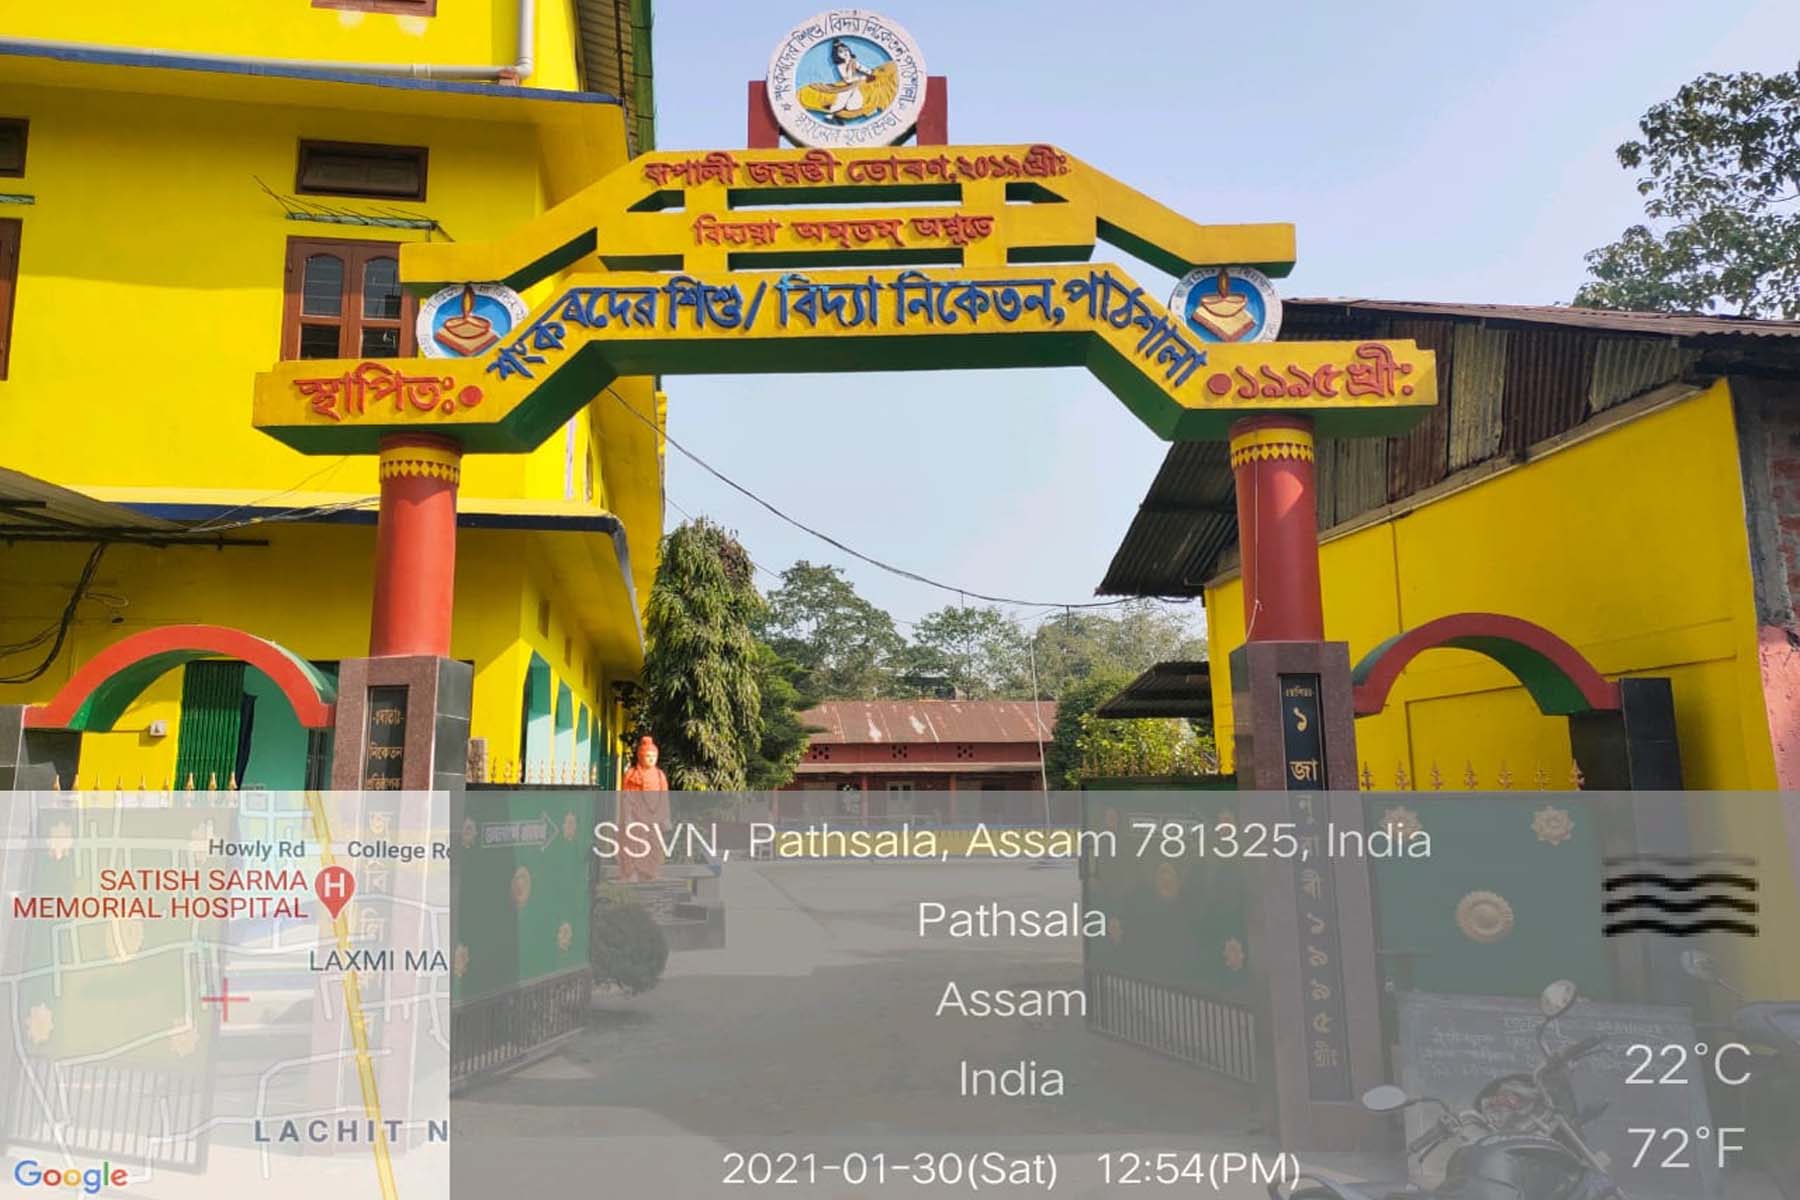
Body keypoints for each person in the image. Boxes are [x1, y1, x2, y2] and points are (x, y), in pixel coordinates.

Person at [616, 735, 670, 883]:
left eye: (654, 756)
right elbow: (626, 797)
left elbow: (664, 797)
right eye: (648, 756)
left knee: (655, 846)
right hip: (636, 816)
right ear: (640, 756)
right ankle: (632, 873)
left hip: (655, 817)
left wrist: (665, 817)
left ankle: (651, 872)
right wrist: (627, 816)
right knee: (635, 844)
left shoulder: (660, 775)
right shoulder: (632, 775)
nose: (651, 759)